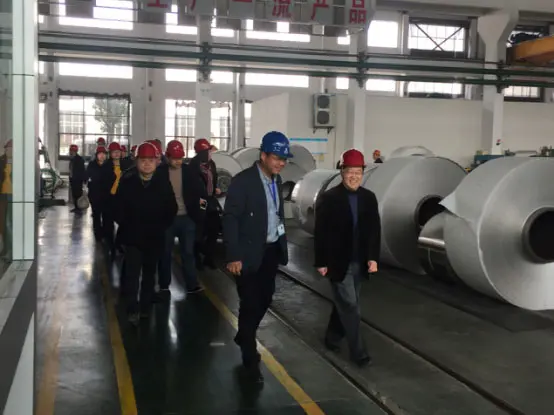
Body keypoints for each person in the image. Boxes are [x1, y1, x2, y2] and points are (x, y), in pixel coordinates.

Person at [223, 131, 293, 382]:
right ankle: (249, 354)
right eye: (276, 158)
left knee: (265, 298)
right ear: (263, 155)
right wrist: (233, 255)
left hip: (271, 251)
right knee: (250, 301)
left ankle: (244, 333)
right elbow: (230, 219)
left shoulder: (277, 180)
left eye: (283, 159)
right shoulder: (243, 182)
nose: (280, 163)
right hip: (247, 253)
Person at [314, 148, 381, 368]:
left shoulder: (368, 198)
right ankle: (359, 353)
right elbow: (321, 232)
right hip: (337, 262)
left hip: (359, 261)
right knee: (351, 306)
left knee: (345, 303)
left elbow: (374, 230)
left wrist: (373, 257)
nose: (354, 176)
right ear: (342, 172)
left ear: (363, 173)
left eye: (358, 172)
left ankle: (332, 337)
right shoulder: (329, 198)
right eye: (350, 171)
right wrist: (321, 261)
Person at [115, 142, 177, 325]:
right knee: (132, 275)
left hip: (154, 237)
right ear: (137, 161)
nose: (147, 164)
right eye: (143, 160)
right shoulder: (127, 180)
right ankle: (132, 308)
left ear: (157, 161)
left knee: (150, 275)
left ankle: (145, 307)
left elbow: (171, 208)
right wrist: (127, 225)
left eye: (151, 160)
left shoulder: (162, 182)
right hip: (133, 238)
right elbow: (117, 208)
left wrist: (160, 226)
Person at [158, 140, 205, 299]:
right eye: (174, 158)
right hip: (167, 221)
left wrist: (200, 214)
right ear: (167, 156)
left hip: (187, 220)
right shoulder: (160, 172)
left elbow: (202, 195)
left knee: (188, 253)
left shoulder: (190, 172)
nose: (178, 161)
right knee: (165, 254)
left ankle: (192, 285)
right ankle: (164, 286)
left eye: (180, 158)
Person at [189, 138, 221, 269]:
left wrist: (215, 188)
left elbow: (214, 178)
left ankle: (209, 257)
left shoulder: (211, 164)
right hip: (201, 201)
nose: (210, 153)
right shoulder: (193, 165)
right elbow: (193, 186)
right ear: (202, 153)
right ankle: (196, 258)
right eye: (208, 151)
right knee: (200, 229)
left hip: (211, 199)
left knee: (214, 227)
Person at [86, 145, 110, 240]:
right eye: (100, 154)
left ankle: (105, 233)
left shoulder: (109, 165)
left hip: (106, 195)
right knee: (96, 215)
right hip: (94, 194)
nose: (102, 156)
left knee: (105, 215)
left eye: (104, 154)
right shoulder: (92, 165)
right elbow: (86, 176)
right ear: (96, 155)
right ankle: (98, 234)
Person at [68, 144, 86, 213]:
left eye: (72, 151)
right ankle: (76, 207)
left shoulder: (80, 159)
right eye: (70, 151)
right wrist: (70, 178)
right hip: (73, 180)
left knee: (78, 194)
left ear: (75, 151)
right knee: (74, 194)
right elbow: (71, 169)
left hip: (78, 181)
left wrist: (83, 181)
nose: (70, 152)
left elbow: (82, 171)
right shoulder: (72, 159)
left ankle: (79, 208)